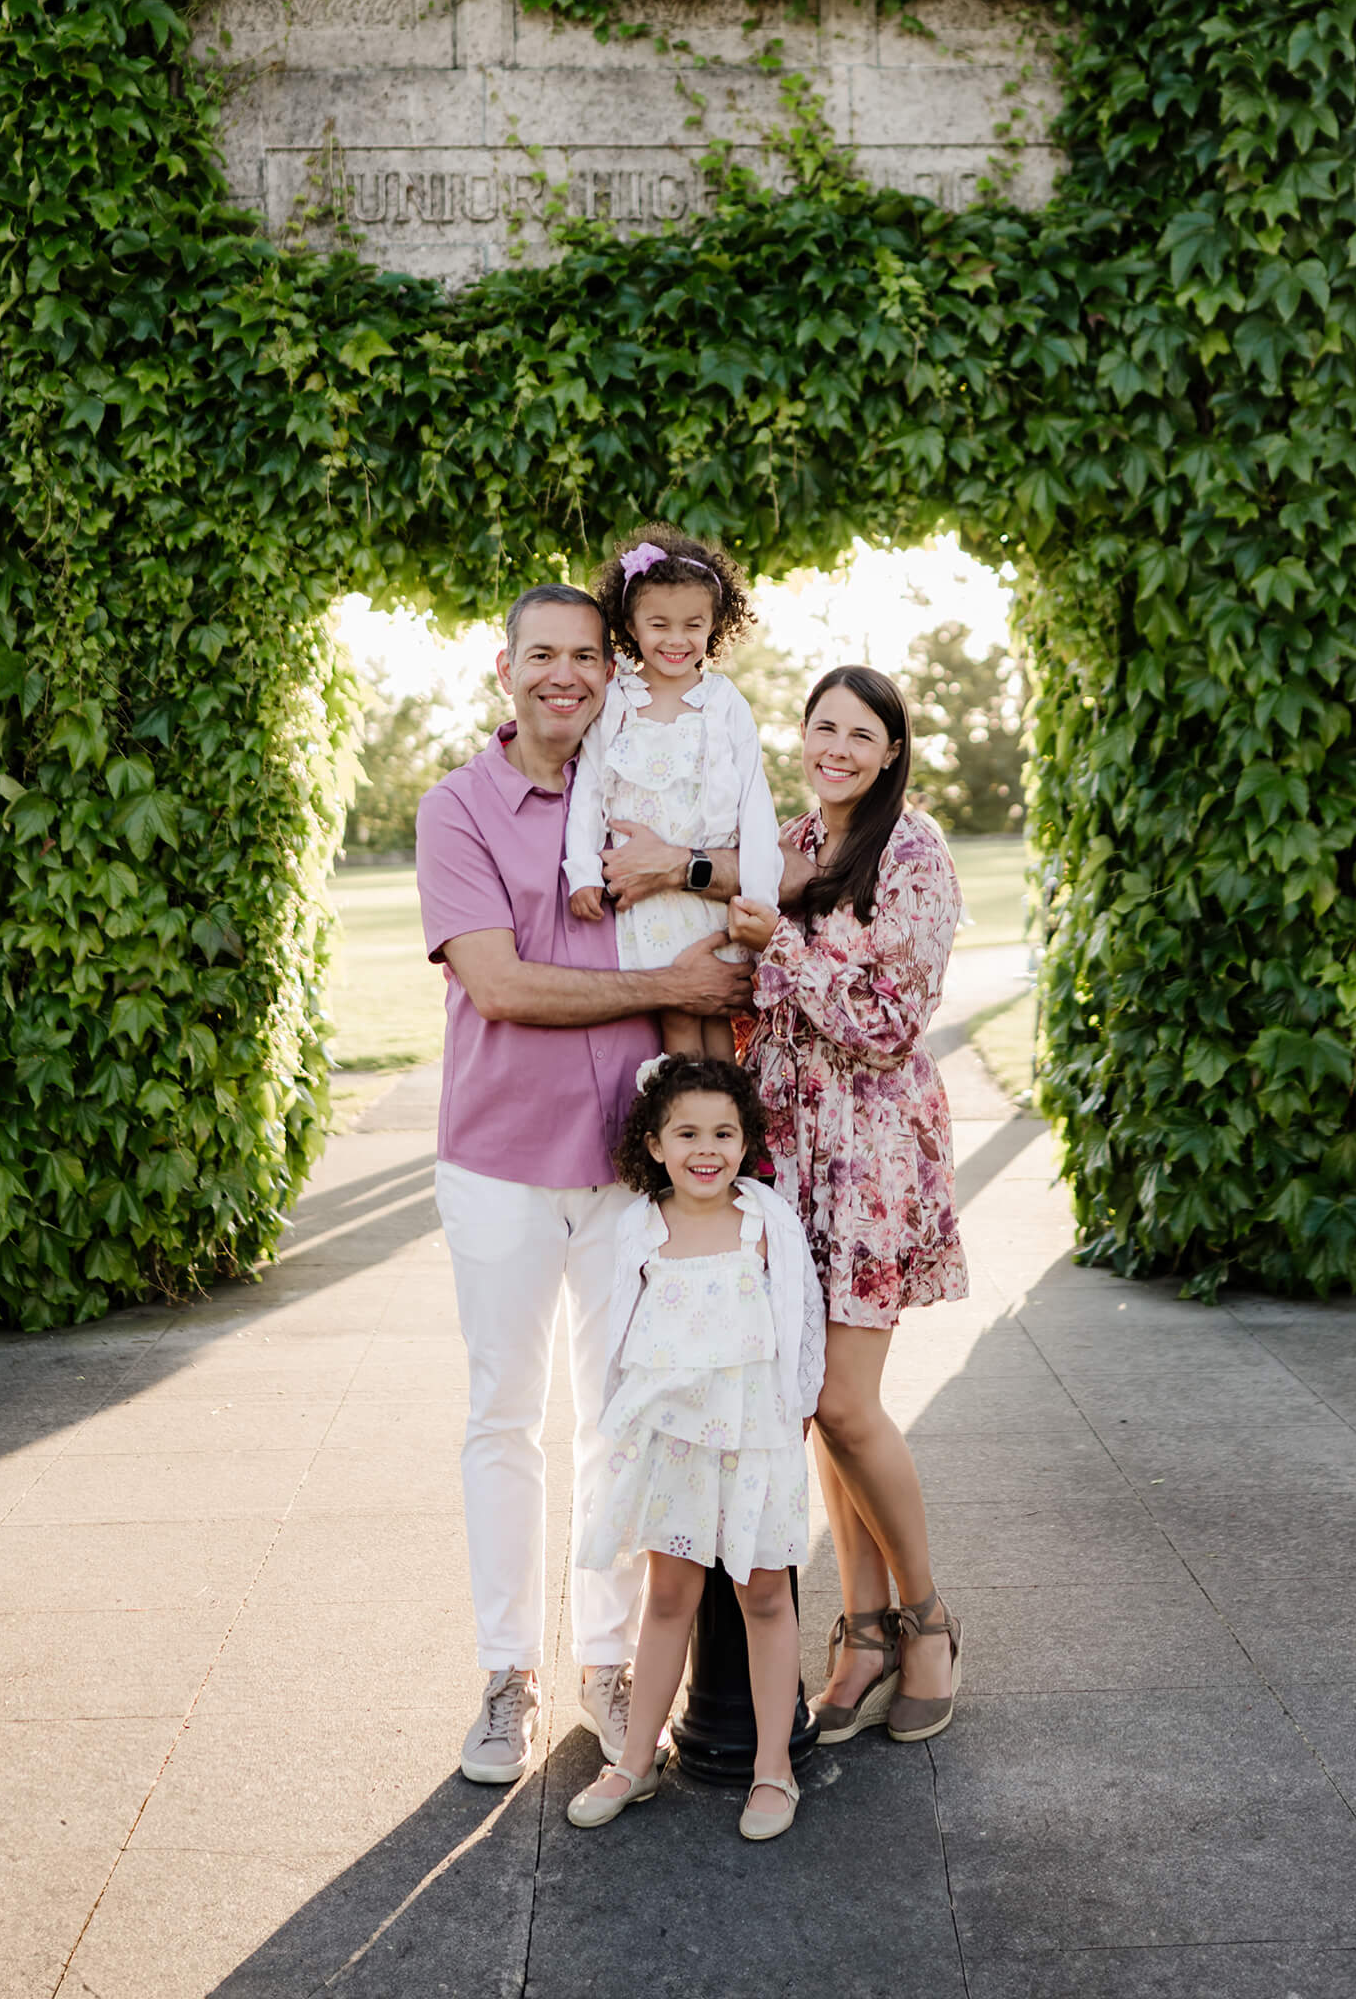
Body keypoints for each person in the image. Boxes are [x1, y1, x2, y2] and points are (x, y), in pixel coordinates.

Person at [416, 584, 753, 1788]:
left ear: (614, 671)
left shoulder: (637, 789)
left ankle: (609, 1665)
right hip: (499, 1163)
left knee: (623, 1421)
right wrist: (665, 982)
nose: (567, 674)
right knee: (503, 1418)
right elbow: (502, 987)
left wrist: (702, 904)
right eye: (542, 654)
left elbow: (738, 907)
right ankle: (507, 1676)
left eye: (588, 656)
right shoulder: (456, 808)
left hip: (626, 1169)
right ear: (505, 666)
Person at [728, 664, 967, 1748]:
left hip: (871, 1151)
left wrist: (775, 938)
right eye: (821, 726)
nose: (834, 747)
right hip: (790, 1148)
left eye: (858, 733)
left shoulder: (912, 851)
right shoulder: (789, 842)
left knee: (843, 1400)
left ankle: (926, 1622)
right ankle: (861, 1631)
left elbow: (884, 1023)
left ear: (890, 750)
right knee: (812, 1394)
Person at [567, 1054, 824, 1842]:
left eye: (723, 1132)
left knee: (764, 1594)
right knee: (669, 1595)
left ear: (746, 1143)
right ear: (653, 1144)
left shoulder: (765, 1221)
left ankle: (772, 1769)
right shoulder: (640, 1226)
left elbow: (801, 1318)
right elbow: (616, 1335)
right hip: (673, 1440)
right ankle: (633, 1760)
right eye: (686, 1133)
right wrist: (619, 1433)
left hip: (755, 1434)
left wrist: (799, 1406)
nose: (705, 1149)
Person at [564, 524, 782, 1061]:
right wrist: (584, 872)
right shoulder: (616, 699)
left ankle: (724, 1131)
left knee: (721, 1014)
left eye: (693, 624)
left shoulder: (724, 700)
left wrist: (760, 894)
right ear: (631, 625)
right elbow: (588, 788)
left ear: (715, 625)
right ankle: (687, 1131)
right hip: (647, 897)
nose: (676, 639)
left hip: (709, 895)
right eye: (659, 624)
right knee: (680, 1015)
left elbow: (755, 798)